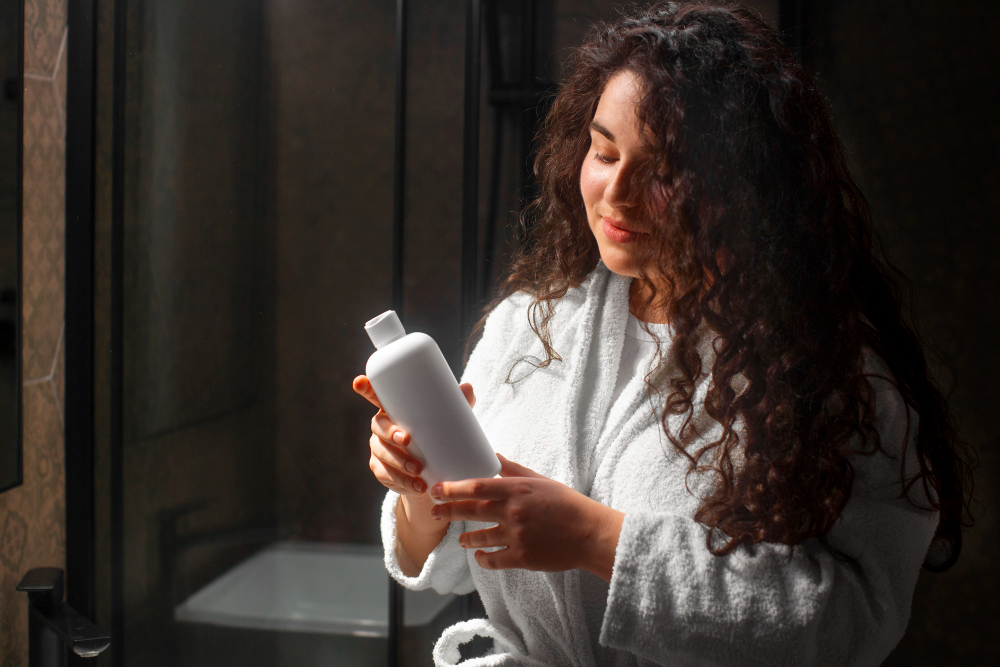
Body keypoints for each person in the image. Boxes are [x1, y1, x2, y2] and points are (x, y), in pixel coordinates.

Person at [353, 2, 974, 665]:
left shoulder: (830, 373)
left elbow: (856, 620)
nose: (616, 191)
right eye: (603, 149)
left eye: (663, 172)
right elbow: (446, 563)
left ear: (746, 186)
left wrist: (599, 539)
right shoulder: (530, 327)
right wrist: (424, 495)